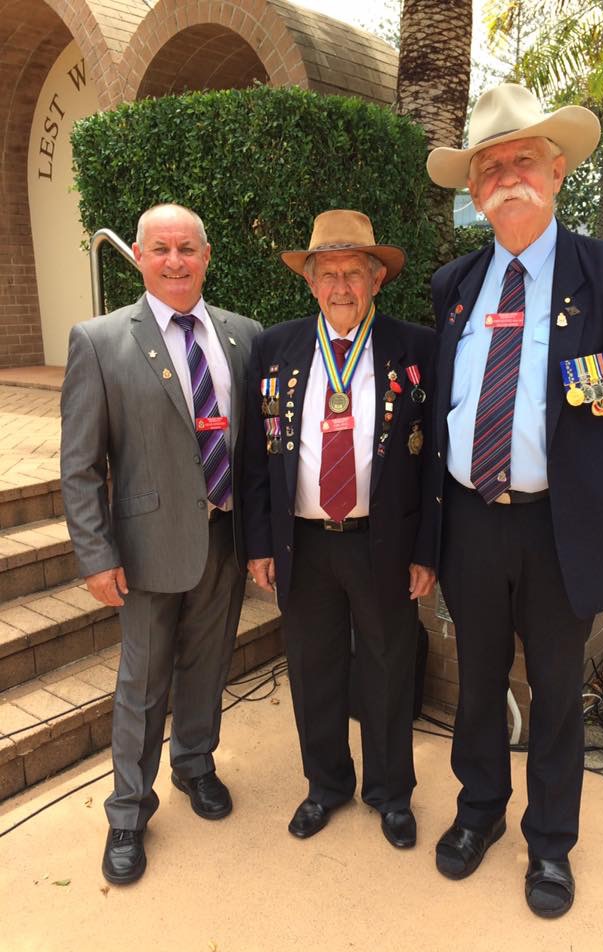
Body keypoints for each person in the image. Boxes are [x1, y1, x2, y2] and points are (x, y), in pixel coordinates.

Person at [426, 84, 603, 916]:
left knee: (558, 694)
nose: (506, 177)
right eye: (489, 166)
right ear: (473, 188)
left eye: (522, 159)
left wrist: (594, 491)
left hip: (560, 528)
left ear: (558, 170)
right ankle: (479, 812)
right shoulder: (453, 285)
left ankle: (551, 844)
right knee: (477, 682)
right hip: (470, 523)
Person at [61, 203, 261, 885]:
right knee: (142, 686)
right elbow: (81, 465)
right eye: (161, 249)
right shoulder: (99, 341)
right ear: (140, 258)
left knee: (208, 666)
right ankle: (127, 811)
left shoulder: (243, 336)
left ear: (207, 256)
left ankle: (195, 764)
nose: (175, 261)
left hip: (225, 540)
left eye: (187, 248)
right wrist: (96, 555)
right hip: (145, 551)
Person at [242, 209, 436, 849]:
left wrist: (426, 550)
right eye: (328, 274)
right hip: (303, 543)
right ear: (310, 282)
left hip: (383, 542)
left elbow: (434, 461)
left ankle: (390, 792)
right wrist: (260, 544)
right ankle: (325, 785)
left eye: (354, 272)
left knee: (388, 668)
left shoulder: (417, 348)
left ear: (378, 279)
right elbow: (256, 458)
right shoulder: (276, 348)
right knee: (312, 669)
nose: (341, 286)